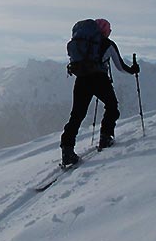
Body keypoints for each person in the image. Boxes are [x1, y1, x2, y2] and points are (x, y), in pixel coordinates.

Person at [60, 18, 139, 167]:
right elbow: (120, 67)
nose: (110, 32)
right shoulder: (108, 44)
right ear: (105, 30)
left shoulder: (82, 43)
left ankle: (67, 150)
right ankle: (106, 136)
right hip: (99, 79)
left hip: (81, 79)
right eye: (109, 29)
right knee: (112, 107)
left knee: (77, 115)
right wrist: (133, 70)